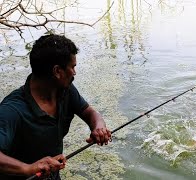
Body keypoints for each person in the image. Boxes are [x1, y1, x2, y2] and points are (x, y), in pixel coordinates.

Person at [0, 34, 112, 179]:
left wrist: (98, 127)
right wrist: (28, 169)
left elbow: (89, 112)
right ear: (57, 71)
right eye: (72, 67)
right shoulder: (11, 110)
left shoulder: (66, 90)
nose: (74, 72)